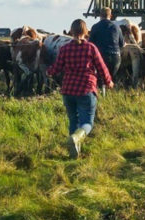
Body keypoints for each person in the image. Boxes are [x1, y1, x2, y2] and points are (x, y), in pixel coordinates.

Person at [47, 18, 114, 159]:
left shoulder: (64, 49)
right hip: (86, 89)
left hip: (68, 90)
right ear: (85, 32)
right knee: (87, 123)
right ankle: (76, 139)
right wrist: (108, 81)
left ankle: (74, 152)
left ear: (71, 32)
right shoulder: (91, 48)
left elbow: (56, 68)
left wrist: (49, 71)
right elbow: (101, 67)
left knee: (73, 120)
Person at [88, 7, 124, 87]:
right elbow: (122, 44)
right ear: (110, 16)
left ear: (100, 15)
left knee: (100, 80)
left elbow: (90, 44)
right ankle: (110, 96)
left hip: (101, 56)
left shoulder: (95, 27)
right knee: (111, 79)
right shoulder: (116, 27)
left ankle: (102, 95)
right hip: (115, 57)